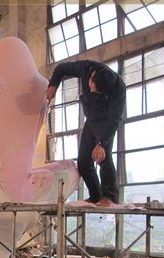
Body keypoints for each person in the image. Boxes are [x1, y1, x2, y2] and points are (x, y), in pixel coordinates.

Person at [46, 60, 125, 207]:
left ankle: (109, 197)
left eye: (96, 91)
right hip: (91, 120)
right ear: (93, 75)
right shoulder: (86, 67)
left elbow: (115, 119)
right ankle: (96, 196)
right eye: (91, 86)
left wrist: (101, 144)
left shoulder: (119, 87)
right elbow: (61, 68)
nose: (92, 91)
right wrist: (53, 85)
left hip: (106, 121)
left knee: (103, 157)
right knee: (83, 162)